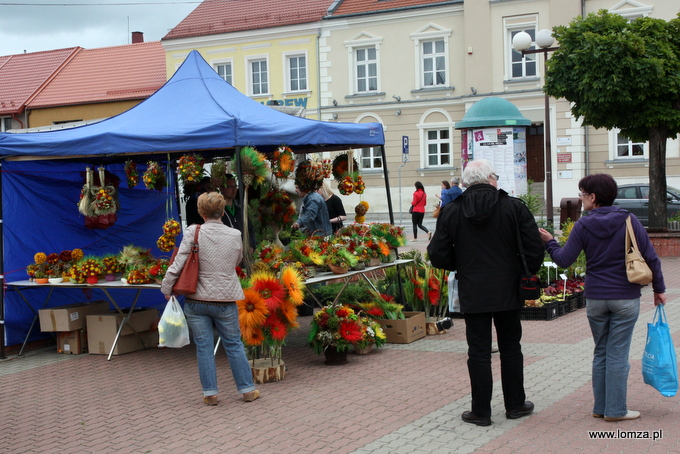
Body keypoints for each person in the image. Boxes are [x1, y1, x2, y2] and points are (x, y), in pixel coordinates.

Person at [539, 173, 665, 422]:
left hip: (596, 298)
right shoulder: (629, 220)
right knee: (617, 353)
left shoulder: (584, 225)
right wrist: (658, 289)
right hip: (625, 298)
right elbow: (651, 257)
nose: (581, 198)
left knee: (601, 352)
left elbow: (564, 260)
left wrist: (551, 243)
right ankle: (616, 410)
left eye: (582, 194)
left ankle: (601, 407)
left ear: (593, 197)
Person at [427, 159, 544, 426]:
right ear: (491, 178)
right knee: (511, 347)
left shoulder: (451, 211)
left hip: (473, 289)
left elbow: (437, 254)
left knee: (478, 351)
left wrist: (461, 265)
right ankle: (515, 405)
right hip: (508, 288)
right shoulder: (514, 207)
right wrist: (523, 269)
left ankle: (480, 412)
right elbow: (534, 249)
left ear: (466, 182)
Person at [161, 192, 260, 406]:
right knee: (234, 344)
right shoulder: (234, 234)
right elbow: (238, 260)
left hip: (197, 299)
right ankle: (247, 390)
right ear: (222, 211)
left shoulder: (193, 232)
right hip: (225, 299)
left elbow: (178, 264)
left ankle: (210, 394)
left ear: (201, 212)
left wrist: (167, 288)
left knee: (204, 347)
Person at [220, 174, 256, 253]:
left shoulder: (240, 206)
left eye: (235, 186)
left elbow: (249, 228)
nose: (234, 190)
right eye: (230, 187)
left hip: (244, 253)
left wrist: (251, 245)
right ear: (221, 188)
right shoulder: (218, 209)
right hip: (228, 254)